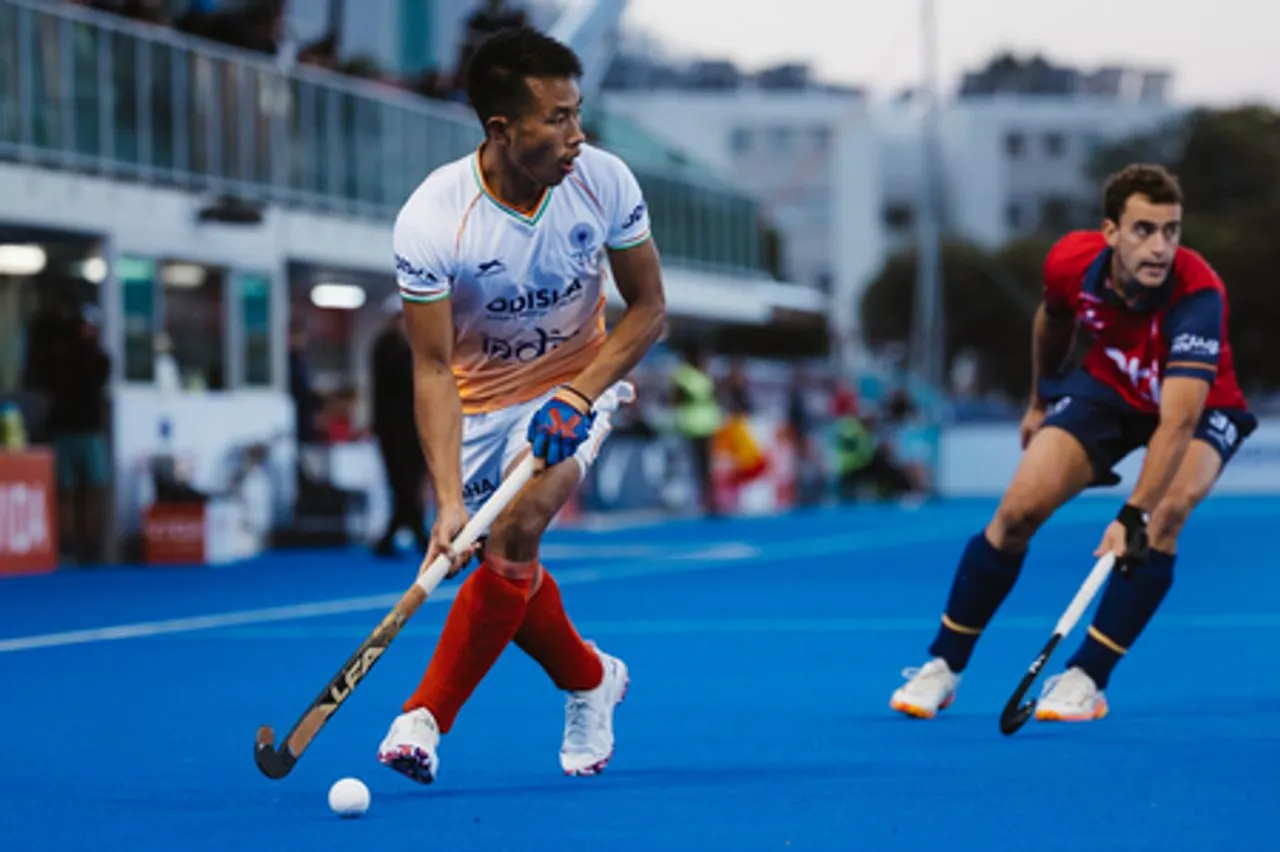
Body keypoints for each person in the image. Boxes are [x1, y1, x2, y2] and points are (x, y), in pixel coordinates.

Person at [376, 27, 666, 784]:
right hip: (477, 406)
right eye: (558, 119)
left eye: (577, 113)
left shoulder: (604, 181)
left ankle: (423, 718)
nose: (577, 135)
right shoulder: (433, 220)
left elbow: (648, 308)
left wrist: (579, 392)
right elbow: (433, 369)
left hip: (578, 385)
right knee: (509, 562)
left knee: (517, 528)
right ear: (502, 130)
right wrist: (443, 500)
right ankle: (589, 677)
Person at [890, 164, 1256, 723]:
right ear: (1111, 232)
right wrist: (1040, 400)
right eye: (1144, 230)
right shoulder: (1070, 260)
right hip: (1108, 390)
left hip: (1200, 409)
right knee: (1015, 514)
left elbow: (1176, 423)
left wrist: (1132, 514)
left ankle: (1086, 677)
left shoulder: (1199, 293)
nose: (1161, 247)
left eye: (1172, 231)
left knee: (1165, 517)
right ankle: (944, 665)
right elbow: (1054, 320)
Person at [370, 297, 430, 557]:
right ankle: (418, 536)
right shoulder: (386, 348)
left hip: (415, 427)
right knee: (402, 483)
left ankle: (394, 536)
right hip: (393, 429)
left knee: (411, 483)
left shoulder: (412, 348)